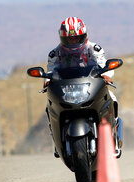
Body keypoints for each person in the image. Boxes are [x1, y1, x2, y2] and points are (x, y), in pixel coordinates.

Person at [45, 17, 121, 157]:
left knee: (113, 99)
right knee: (49, 107)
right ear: (62, 38)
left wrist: (107, 74)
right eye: (70, 39)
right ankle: (56, 141)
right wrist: (47, 80)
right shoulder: (55, 53)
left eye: (76, 38)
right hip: (66, 87)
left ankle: (114, 137)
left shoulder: (94, 48)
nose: (73, 42)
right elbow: (50, 70)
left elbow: (103, 63)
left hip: (90, 84)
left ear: (84, 35)